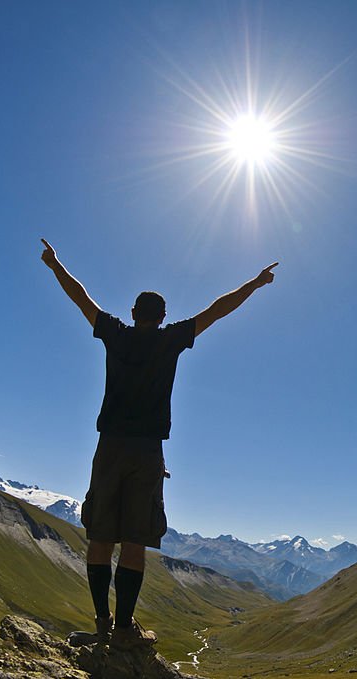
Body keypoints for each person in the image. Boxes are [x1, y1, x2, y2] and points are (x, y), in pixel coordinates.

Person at [39, 238, 277, 649]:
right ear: (163, 316)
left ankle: (101, 623)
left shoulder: (114, 332)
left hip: (109, 447)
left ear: (133, 314)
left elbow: (80, 297)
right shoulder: (171, 340)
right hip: (148, 451)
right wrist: (254, 284)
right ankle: (125, 630)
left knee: (100, 537)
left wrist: (54, 264)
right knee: (136, 540)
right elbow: (217, 310)